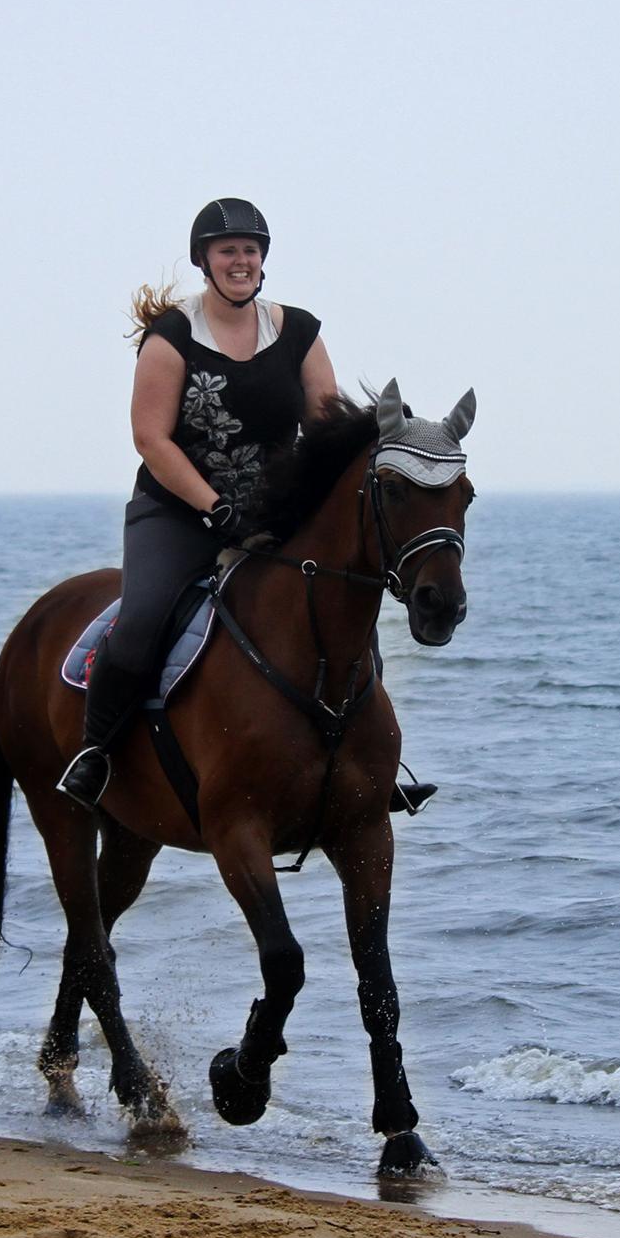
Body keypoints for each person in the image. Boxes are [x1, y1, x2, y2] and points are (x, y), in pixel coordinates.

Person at [57, 197, 435, 817]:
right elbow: (151, 439)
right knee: (144, 620)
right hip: (175, 511)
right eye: (227, 250)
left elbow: (325, 422)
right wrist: (214, 509)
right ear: (203, 260)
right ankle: (95, 754)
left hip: (270, 515)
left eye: (250, 250)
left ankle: (371, 765)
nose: (241, 260)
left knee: (345, 617)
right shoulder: (171, 336)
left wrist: (384, 436)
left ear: (263, 261)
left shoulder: (300, 331)